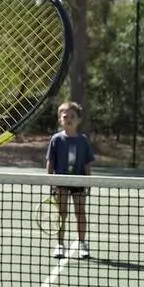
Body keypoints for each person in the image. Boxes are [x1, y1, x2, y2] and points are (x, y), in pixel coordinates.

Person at [45, 101, 95, 259]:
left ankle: (82, 244)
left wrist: (88, 182)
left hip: (79, 183)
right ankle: (60, 245)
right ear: (60, 120)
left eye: (72, 116)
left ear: (79, 120)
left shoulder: (83, 140)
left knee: (80, 212)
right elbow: (50, 162)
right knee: (61, 214)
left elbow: (87, 164)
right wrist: (51, 181)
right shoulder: (56, 139)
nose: (69, 119)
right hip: (61, 182)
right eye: (65, 116)